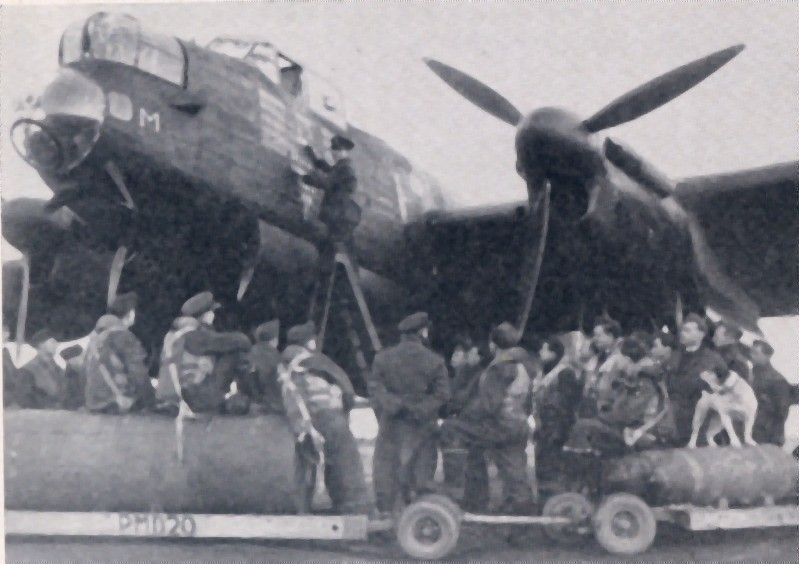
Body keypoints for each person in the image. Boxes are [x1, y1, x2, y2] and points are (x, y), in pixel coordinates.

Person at [439, 322, 538, 516]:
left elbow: (488, 406)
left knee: (451, 428)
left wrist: (466, 417)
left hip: (499, 426)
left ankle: (459, 492)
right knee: (514, 469)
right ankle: (521, 509)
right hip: (518, 424)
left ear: (493, 344)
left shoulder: (498, 368)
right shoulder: (523, 365)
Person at [279, 321, 371, 514]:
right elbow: (344, 384)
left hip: (307, 418)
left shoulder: (286, 363)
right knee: (347, 459)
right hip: (328, 415)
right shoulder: (315, 360)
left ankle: (337, 502)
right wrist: (346, 406)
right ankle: (355, 506)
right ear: (309, 342)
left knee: (328, 461)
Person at [369, 312, 450, 515]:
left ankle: (386, 515)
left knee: (386, 468)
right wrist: (420, 410)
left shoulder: (382, 358)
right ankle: (420, 517)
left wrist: (393, 406)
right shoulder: (435, 361)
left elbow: (375, 389)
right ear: (422, 332)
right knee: (421, 471)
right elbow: (442, 394)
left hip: (392, 422)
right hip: (422, 424)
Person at [162, 291, 252, 415]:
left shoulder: (177, 334)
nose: (213, 315)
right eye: (212, 312)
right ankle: (251, 395)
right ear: (205, 315)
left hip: (178, 394)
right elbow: (242, 341)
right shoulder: (196, 336)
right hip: (194, 396)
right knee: (235, 353)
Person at [84, 293, 154, 413]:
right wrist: (151, 400)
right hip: (117, 402)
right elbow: (138, 372)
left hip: (93, 402)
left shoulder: (96, 338)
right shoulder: (123, 336)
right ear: (130, 313)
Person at [667, 313, 726, 445]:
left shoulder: (713, 359)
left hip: (699, 421)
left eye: (687, 330)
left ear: (701, 334)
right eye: (682, 330)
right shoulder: (674, 356)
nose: (682, 333)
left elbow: (725, 387)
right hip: (674, 419)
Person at [534, 336, 582, 484]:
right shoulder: (545, 371)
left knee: (552, 466)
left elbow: (566, 404)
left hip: (556, 427)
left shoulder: (565, 373)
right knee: (542, 463)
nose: (540, 352)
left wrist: (558, 430)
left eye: (544, 349)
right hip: (544, 425)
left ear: (553, 353)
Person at [302, 135, 361, 255]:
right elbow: (327, 169)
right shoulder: (342, 166)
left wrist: (305, 178)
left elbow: (327, 183)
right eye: (333, 149)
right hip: (335, 215)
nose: (333, 153)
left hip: (335, 216)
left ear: (344, 152)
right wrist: (312, 156)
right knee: (326, 246)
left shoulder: (345, 169)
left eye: (336, 150)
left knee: (326, 247)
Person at [749, 340, 797, 445]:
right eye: (751, 352)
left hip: (767, 434)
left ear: (767, 356)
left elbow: (781, 410)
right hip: (752, 428)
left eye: (756, 353)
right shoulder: (753, 371)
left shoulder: (777, 380)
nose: (751, 356)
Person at [578, 316, 623, 417]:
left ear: (610, 335)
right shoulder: (601, 356)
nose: (594, 339)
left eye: (598, 335)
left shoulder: (619, 358)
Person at [16, 329, 64, 409]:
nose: (56, 345)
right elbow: (25, 400)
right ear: (41, 344)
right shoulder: (28, 369)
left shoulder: (58, 369)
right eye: (52, 342)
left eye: (56, 342)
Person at [245, 319, 284, 413]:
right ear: (275, 339)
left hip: (253, 404)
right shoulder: (275, 355)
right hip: (273, 405)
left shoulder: (251, 352)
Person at [445, 334, 483, 417]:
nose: (454, 357)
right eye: (455, 354)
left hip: (460, 412)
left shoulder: (478, 374)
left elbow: (466, 393)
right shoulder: (457, 369)